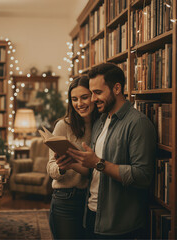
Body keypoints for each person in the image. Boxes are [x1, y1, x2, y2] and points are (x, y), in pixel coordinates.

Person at [66, 63, 157, 239]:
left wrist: (98, 163)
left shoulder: (138, 123)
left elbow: (143, 176)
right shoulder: (100, 121)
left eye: (98, 93)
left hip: (119, 224)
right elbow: (94, 171)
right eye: (91, 93)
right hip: (91, 215)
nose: (92, 99)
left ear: (117, 88)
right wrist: (71, 160)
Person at [46, 75, 99, 239]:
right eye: (74, 99)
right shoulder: (64, 125)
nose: (79, 104)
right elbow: (50, 168)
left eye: (84, 97)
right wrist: (62, 168)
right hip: (66, 198)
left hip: (94, 199)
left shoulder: (103, 123)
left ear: (93, 96)